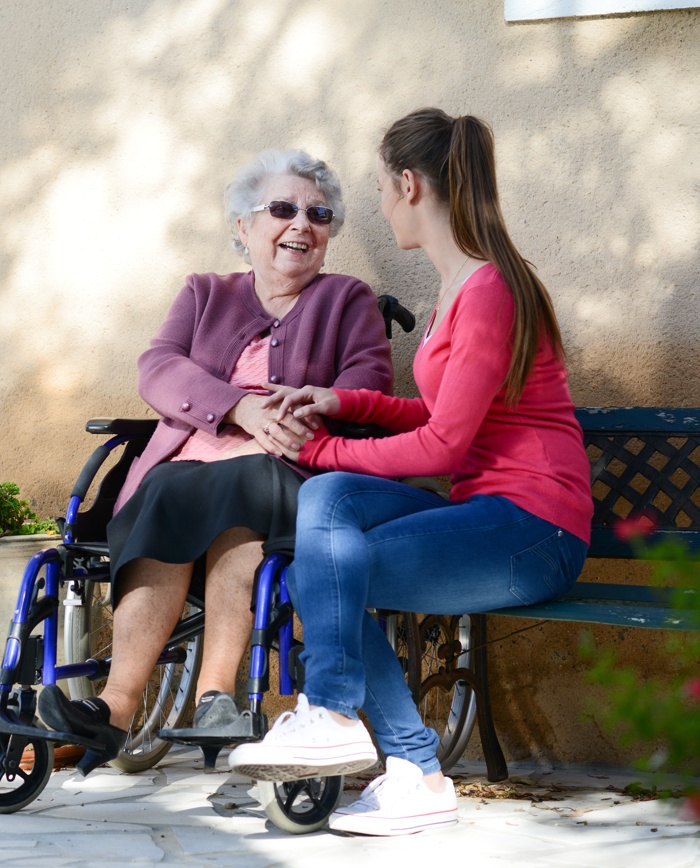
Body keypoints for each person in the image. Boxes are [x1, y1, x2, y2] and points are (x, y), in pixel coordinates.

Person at [226, 108, 593, 836]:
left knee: (323, 563)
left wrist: (320, 447)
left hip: (533, 529)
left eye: (382, 190)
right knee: (327, 513)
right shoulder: (459, 290)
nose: (383, 206)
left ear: (408, 183)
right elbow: (434, 412)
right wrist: (339, 402)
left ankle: (372, 739)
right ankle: (377, 744)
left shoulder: (489, 290)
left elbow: (443, 447)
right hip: (483, 515)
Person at [38, 148, 395, 773]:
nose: (301, 225)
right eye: (282, 209)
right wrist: (238, 410)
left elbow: (369, 376)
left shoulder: (347, 299)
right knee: (172, 487)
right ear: (243, 227)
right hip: (191, 469)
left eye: (318, 213)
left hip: (288, 472)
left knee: (240, 487)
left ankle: (214, 697)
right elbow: (159, 366)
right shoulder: (205, 293)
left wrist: (305, 410)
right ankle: (114, 710)